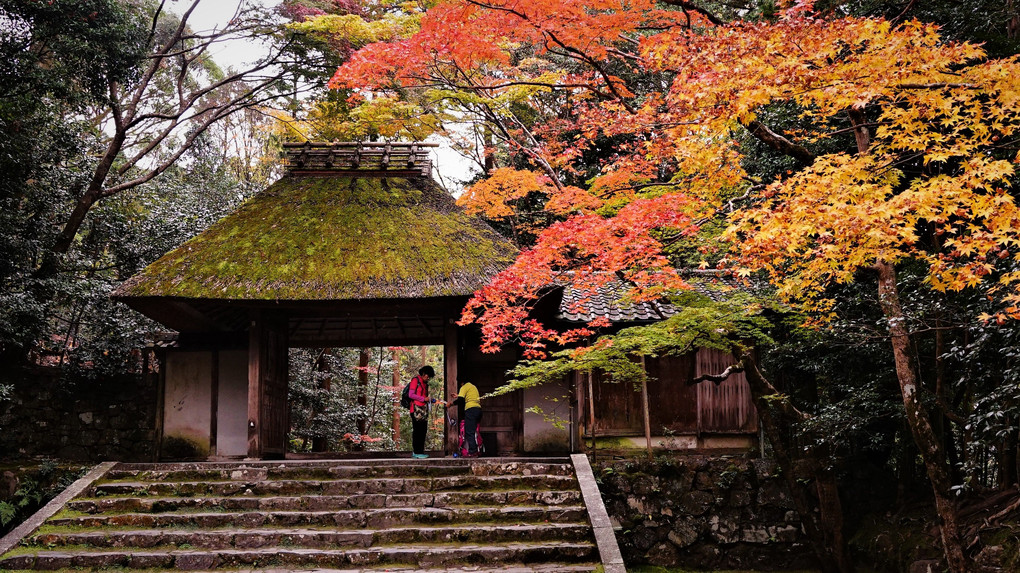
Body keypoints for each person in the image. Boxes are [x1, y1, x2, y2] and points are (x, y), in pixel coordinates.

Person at [407, 365, 438, 459]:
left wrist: (430, 400)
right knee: (417, 430)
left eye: (429, 377)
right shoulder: (415, 381)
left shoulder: (425, 384)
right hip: (415, 409)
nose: (428, 378)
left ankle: (420, 451)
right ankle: (416, 452)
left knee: (423, 430)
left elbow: (425, 398)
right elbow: (411, 395)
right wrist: (423, 398)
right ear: (423, 373)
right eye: (427, 376)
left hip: (423, 410)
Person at [448, 380, 482, 458]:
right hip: (478, 410)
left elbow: (461, 400)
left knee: (469, 431)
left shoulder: (464, 386)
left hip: (471, 410)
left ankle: (473, 452)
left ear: (462, 382)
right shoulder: (473, 387)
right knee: (475, 431)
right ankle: (477, 450)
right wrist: (458, 395)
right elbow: (467, 397)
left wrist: (451, 404)